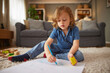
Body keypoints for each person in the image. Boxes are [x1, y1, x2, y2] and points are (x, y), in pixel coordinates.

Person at [8, 6, 84, 64]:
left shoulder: (75, 29)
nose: (61, 23)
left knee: (79, 56)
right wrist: (48, 54)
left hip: (70, 50)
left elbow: (75, 45)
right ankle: (27, 55)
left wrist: (70, 53)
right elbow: (48, 43)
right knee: (44, 43)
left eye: (64, 20)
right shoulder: (56, 29)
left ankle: (56, 56)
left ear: (70, 19)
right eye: (59, 20)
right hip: (58, 48)